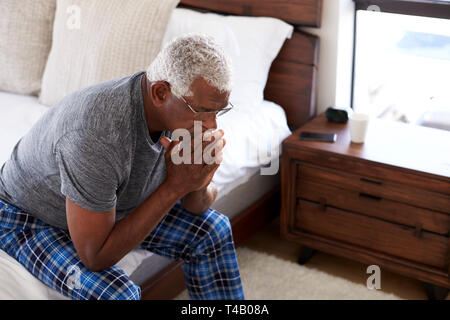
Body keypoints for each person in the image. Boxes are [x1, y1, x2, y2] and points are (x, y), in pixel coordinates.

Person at [0, 34, 244, 300]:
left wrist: (201, 179)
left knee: (213, 231)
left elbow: (196, 206)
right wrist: (175, 186)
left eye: (218, 112)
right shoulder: (95, 134)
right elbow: (95, 256)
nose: (212, 126)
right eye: (202, 111)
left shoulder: (182, 115)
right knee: (119, 296)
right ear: (160, 92)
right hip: (28, 217)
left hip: (114, 205)